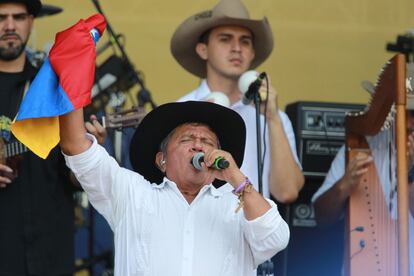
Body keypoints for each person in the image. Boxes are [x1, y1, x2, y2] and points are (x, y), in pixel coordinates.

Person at [59, 100, 290, 275]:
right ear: (162, 160)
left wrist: (234, 175)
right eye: (186, 139)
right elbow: (76, 148)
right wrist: (72, 74)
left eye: (208, 142)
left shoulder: (237, 206)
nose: (198, 145)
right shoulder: (133, 194)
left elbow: (275, 239)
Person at [171, 0, 304, 203]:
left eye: (245, 41)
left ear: (252, 53)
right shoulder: (181, 110)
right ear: (203, 50)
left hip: (252, 232)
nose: (236, 48)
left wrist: (273, 118)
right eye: (225, 39)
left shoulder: (273, 116)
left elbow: (287, 192)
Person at [0, 0, 76, 275]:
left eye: (18, 17)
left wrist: (88, 154)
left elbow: (75, 178)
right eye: (1, 17)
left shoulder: (55, 91)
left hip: (48, 252)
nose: (10, 25)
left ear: (32, 21)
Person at [312, 110, 414, 275]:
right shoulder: (359, 147)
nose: (408, 126)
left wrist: (409, 173)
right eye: (405, 114)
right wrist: (342, 186)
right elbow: (321, 218)